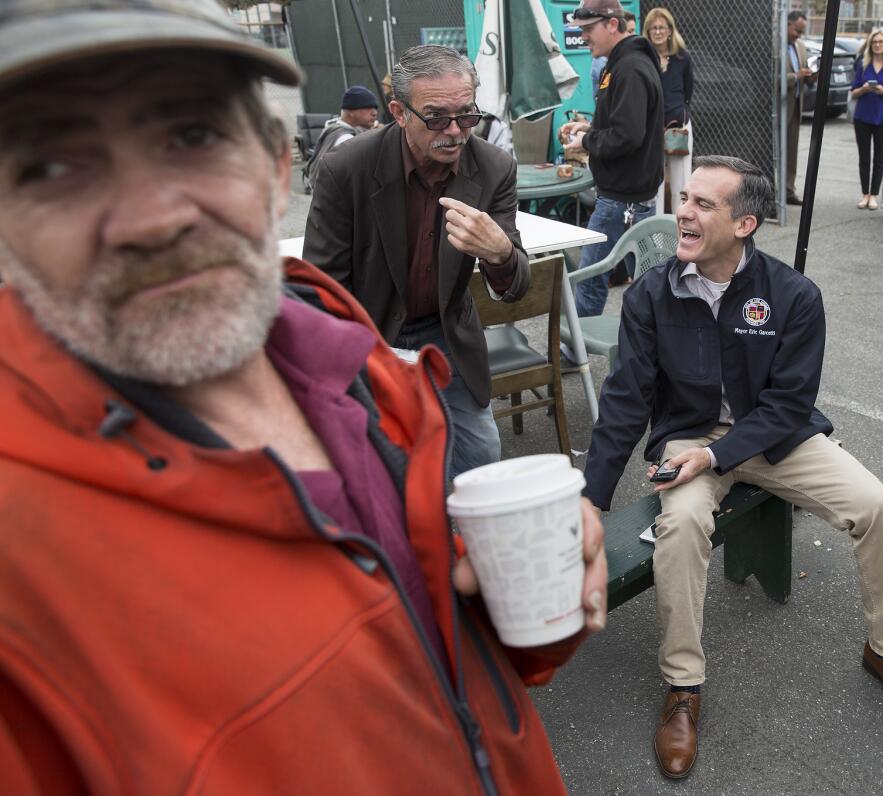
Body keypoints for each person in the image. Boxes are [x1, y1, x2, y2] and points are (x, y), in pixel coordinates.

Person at [0, 1, 608, 791]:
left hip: (440, 359)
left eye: (192, 135)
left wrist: (520, 606)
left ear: (273, 165)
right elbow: (328, 272)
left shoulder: (381, 393)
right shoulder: (26, 550)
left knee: (484, 461)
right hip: (385, 335)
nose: (151, 219)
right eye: (51, 166)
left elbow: (456, 655)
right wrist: (380, 353)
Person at [582, 155, 883, 780]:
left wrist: (718, 455)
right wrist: (593, 497)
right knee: (682, 526)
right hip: (687, 435)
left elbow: (789, 403)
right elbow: (626, 398)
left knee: (875, 505)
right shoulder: (649, 292)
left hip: (775, 435)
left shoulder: (794, 296)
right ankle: (683, 687)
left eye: (703, 205)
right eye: (685, 198)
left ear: (744, 223)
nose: (683, 213)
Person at [304, 45, 529, 480]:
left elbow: (513, 286)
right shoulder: (346, 168)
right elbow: (321, 289)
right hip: (366, 333)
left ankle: (468, 545)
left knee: (481, 457)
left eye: (467, 114)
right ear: (398, 112)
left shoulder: (493, 167)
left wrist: (500, 253)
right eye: (436, 117)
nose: (456, 131)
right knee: (391, 469)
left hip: (445, 332)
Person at [559, 0, 664, 317]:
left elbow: (628, 136)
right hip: (628, 197)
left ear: (613, 25)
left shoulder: (628, 68)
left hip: (622, 201)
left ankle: (573, 352)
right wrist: (590, 127)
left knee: (589, 278)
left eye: (589, 29)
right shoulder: (622, 64)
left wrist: (586, 140)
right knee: (649, 283)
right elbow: (627, 125)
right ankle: (656, 346)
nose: (584, 37)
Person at [646, 7, 694, 214]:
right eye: (653, 28)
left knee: (682, 182)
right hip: (652, 128)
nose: (657, 32)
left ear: (670, 31)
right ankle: (654, 230)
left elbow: (688, 92)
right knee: (654, 183)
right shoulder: (644, 58)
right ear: (647, 32)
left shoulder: (682, 58)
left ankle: (681, 228)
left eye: (661, 27)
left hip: (679, 126)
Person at [302, 84, 380, 188]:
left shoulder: (334, 127)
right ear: (350, 111)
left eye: (375, 108)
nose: (374, 112)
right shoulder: (347, 140)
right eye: (368, 107)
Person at [850, 30, 883, 210]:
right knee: (864, 157)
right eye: (874, 41)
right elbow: (853, 92)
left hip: (881, 117)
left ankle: (874, 194)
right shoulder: (863, 65)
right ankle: (865, 194)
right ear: (870, 44)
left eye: (881, 41)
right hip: (863, 116)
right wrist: (865, 88)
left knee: (879, 157)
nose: (877, 44)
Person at [785, 11, 814, 205]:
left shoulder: (800, 47)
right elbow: (770, 78)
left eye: (802, 32)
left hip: (795, 106)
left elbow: (804, 77)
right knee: (774, 153)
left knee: (792, 152)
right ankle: (771, 195)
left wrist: (811, 77)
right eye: (797, 30)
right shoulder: (774, 45)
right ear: (787, 24)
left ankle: (788, 191)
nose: (799, 35)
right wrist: (795, 76)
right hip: (778, 108)